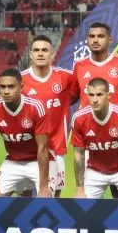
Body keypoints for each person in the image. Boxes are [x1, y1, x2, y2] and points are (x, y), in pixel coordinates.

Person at [21, 35, 79, 196]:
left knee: (53, 196)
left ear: (52, 54)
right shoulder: (20, 80)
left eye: (44, 50)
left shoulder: (66, 77)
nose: (40, 53)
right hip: (26, 148)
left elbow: (79, 93)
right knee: (24, 197)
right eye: (36, 50)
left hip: (55, 148)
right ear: (31, 54)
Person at [0, 69, 51, 197]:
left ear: (21, 87)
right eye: (2, 87)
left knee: (45, 198)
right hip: (12, 161)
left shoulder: (36, 107)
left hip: (37, 162)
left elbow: (43, 147)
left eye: (11, 87)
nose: (6, 91)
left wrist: (44, 187)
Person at [71, 78, 118, 199]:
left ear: (108, 95)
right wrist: (79, 190)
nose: (95, 100)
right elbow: (79, 155)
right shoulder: (78, 118)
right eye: (91, 95)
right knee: (81, 202)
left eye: (99, 95)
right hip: (95, 170)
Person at [72, 21, 118, 106]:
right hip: (87, 115)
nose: (95, 40)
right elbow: (70, 98)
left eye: (100, 36)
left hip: (115, 115)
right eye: (92, 36)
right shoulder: (79, 66)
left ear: (110, 40)